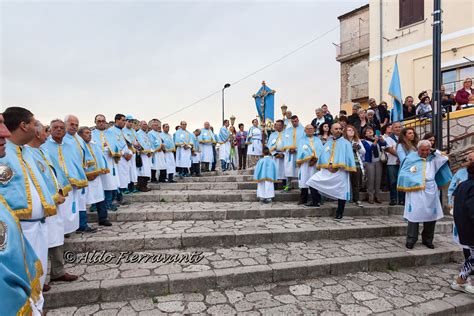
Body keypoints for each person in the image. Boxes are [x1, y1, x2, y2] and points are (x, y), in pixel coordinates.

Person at [0, 107, 61, 311]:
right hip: (19, 229)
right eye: (35, 123)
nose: (38, 128)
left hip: (38, 225)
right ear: (23, 125)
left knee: (38, 276)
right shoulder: (4, 152)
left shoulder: (28, 152)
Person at [397, 140, 452, 249]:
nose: (425, 152)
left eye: (427, 150)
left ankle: (427, 239)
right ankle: (411, 239)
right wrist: (413, 180)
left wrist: (434, 151)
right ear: (418, 149)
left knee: (431, 216)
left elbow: (445, 158)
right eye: (423, 150)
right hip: (415, 190)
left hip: (430, 189)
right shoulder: (411, 158)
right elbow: (404, 174)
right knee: (414, 216)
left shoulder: (433, 158)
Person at [306, 123, 356, 219]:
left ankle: (340, 212)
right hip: (327, 170)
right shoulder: (328, 143)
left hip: (341, 171)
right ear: (331, 130)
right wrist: (327, 165)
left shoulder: (346, 143)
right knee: (312, 181)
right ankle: (316, 201)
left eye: (340, 129)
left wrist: (337, 166)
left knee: (341, 191)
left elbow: (348, 157)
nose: (338, 130)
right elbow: (323, 155)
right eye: (336, 128)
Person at [63, 115, 97, 233]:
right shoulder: (61, 139)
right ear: (65, 124)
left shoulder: (78, 138)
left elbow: (86, 155)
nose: (74, 127)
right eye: (71, 124)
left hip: (80, 175)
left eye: (76, 125)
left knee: (81, 202)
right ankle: (67, 229)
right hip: (67, 178)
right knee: (67, 205)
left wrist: (88, 169)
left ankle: (82, 224)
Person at [78, 126, 112, 226]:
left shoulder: (94, 145)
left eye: (90, 133)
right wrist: (86, 174)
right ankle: (82, 223)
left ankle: (103, 218)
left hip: (96, 176)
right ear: (80, 135)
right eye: (86, 133)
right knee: (82, 201)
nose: (89, 135)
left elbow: (100, 159)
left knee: (100, 197)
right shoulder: (77, 146)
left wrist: (97, 172)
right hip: (83, 178)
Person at [450, 162, 474, 294]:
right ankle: (460, 281)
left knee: (472, 257)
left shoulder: (463, 185)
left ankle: (460, 281)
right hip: (470, 228)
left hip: (464, 227)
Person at [448, 152, 474, 265]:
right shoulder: (461, 174)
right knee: (466, 240)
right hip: (463, 211)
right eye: (471, 160)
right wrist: (451, 204)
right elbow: (452, 190)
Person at [92, 114, 120, 211]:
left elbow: (117, 146)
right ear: (95, 122)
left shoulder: (111, 134)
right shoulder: (91, 134)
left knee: (109, 183)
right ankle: (95, 205)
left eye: (103, 121)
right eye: (99, 121)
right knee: (97, 184)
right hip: (96, 162)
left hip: (109, 160)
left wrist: (114, 151)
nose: (101, 123)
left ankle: (108, 203)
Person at [296, 124, 323, 206]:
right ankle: (303, 199)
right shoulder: (301, 140)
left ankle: (316, 199)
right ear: (305, 130)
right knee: (304, 179)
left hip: (316, 163)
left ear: (314, 130)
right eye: (308, 129)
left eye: (311, 128)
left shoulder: (318, 140)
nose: (310, 130)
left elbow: (321, 150)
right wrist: (309, 157)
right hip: (305, 163)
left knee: (315, 180)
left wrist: (315, 159)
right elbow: (301, 151)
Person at [108, 114, 133, 196]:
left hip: (126, 158)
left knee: (124, 178)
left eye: (125, 120)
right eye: (123, 120)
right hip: (118, 158)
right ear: (117, 120)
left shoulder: (122, 131)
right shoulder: (111, 131)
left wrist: (129, 153)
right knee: (118, 178)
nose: (124, 122)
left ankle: (121, 194)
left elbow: (126, 144)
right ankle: (116, 196)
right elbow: (112, 145)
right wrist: (123, 154)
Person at [362, 126, 387, 204]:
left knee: (378, 179)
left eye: (371, 131)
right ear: (365, 134)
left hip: (378, 161)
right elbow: (369, 149)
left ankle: (377, 196)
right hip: (369, 162)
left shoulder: (377, 139)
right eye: (368, 131)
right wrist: (375, 141)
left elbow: (384, 144)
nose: (370, 132)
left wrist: (381, 139)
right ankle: (370, 197)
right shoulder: (364, 141)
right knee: (371, 179)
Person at [343, 125, 365, 207]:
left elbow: (363, 152)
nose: (351, 131)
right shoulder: (342, 141)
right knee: (345, 182)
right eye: (349, 130)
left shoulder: (357, 140)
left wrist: (358, 147)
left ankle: (357, 199)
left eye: (352, 130)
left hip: (356, 164)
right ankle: (344, 198)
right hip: (346, 164)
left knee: (356, 182)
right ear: (345, 132)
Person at [282, 115, 304, 192]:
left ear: (298, 120)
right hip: (289, 153)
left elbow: (304, 141)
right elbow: (284, 141)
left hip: (299, 153)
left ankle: (301, 186)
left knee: (300, 170)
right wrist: (289, 148)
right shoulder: (287, 130)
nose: (294, 123)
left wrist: (297, 149)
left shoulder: (303, 130)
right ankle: (288, 186)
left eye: (296, 121)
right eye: (293, 121)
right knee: (288, 169)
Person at [384, 121, 404, 205]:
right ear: (392, 129)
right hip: (392, 163)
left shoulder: (405, 138)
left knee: (401, 181)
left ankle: (402, 199)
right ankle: (393, 199)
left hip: (403, 163)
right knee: (392, 182)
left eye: (399, 127)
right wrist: (400, 156)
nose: (398, 128)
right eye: (396, 127)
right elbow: (389, 149)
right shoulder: (389, 138)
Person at [122, 116, 140, 193]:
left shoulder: (133, 131)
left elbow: (136, 140)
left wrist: (137, 146)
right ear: (125, 121)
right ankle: (125, 187)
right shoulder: (122, 130)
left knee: (133, 171)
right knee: (126, 171)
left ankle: (132, 187)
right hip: (126, 154)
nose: (130, 123)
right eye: (129, 121)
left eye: (132, 122)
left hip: (133, 153)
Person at [135, 121, 153, 191]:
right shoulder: (138, 134)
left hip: (148, 155)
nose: (146, 126)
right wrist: (145, 152)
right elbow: (139, 144)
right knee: (142, 171)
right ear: (140, 125)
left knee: (147, 170)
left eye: (146, 124)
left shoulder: (146, 134)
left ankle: (145, 185)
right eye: (144, 124)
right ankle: (141, 186)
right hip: (142, 155)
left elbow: (149, 143)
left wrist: (150, 151)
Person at [267, 120, 286, 188]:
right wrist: (274, 154)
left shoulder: (287, 134)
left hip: (284, 155)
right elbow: (269, 145)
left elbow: (289, 144)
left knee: (284, 171)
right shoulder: (272, 135)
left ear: (282, 126)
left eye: (279, 125)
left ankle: (285, 185)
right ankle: (275, 186)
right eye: (276, 125)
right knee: (275, 170)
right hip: (275, 156)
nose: (277, 126)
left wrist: (283, 154)